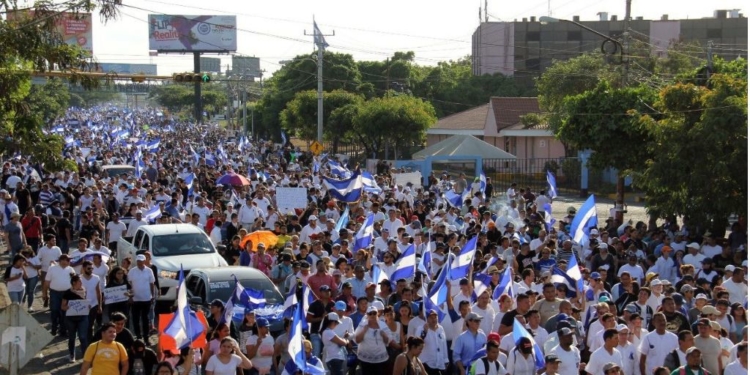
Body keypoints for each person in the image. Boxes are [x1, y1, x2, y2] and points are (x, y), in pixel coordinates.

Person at [43, 253, 75, 336]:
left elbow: (74, 283)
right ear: (61, 260)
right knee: (54, 310)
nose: (66, 262)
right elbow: (46, 282)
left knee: (64, 312)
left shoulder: (71, 270)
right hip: (55, 293)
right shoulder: (52, 269)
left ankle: (63, 330)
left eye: (68, 260)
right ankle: (54, 328)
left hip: (67, 293)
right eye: (65, 260)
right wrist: (45, 293)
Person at [355, 306, 393, 375]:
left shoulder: (383, 325)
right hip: (365, 359)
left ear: (377, 313)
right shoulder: (362, 325)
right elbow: (357, 340)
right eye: (370, 313)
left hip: (380, 359)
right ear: (367, 314)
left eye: (374, 313)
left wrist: (384, 335)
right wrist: (364, 330)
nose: (372, 315)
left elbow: (388, 341)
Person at [127, 254, 156, 342]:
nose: (139, 262)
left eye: (141, 261)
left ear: (144, 261)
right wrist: (130, 297)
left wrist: (152, 295)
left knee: (145, 319)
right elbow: (129, 285)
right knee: (135, 319)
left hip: (146, 298)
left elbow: (152, 284)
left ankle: (146, 337)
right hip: (135, 299)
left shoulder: (149, 271)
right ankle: (138, 336)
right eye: (138, 261)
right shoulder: (132, 271)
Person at [62, 274, 89, 362]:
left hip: (82, 318)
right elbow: (62, 306)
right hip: (71, 319)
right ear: (74, 283)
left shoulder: (84, 291)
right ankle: (72, 355)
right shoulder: (67, 293)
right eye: (79, 281)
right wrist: (67, 308)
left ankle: (85, 355)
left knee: (83, 337)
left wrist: (88, 306)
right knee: (72, 337)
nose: (81, 283)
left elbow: (87, 303)